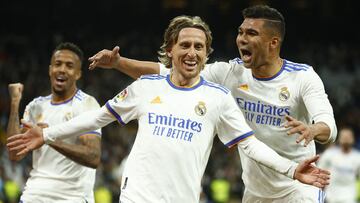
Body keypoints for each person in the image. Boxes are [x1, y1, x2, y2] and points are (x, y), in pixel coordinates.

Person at [7, 16, 330, 203]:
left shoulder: (218, 97)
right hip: (137, 197)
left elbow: (250, 144)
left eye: (199, 47)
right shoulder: (147, 88)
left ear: (206, 55)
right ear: (170, 50)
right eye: (185, 45)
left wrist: (291, 169)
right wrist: (46, 135)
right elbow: (98, 116)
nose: (192, 52)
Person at [6, 42, 102, 203]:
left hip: (72, 197)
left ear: (78, 74)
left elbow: (93, 157)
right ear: (50, 69)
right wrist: (15, 102)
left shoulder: (87, 104)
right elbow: (14, 154)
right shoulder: (35, 106)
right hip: (34, 194)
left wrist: (47, 137)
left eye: (69, 66)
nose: (62, 69)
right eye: (58, 64)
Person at [318, 127, 360, 203]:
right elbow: (320, 172)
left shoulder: (357, 157)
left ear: (353, 139)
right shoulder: (329, 154)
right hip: (331, 197)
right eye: (343, 136)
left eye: (348, 136)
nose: (346, 138)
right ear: (339, 138)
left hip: (350, 197)